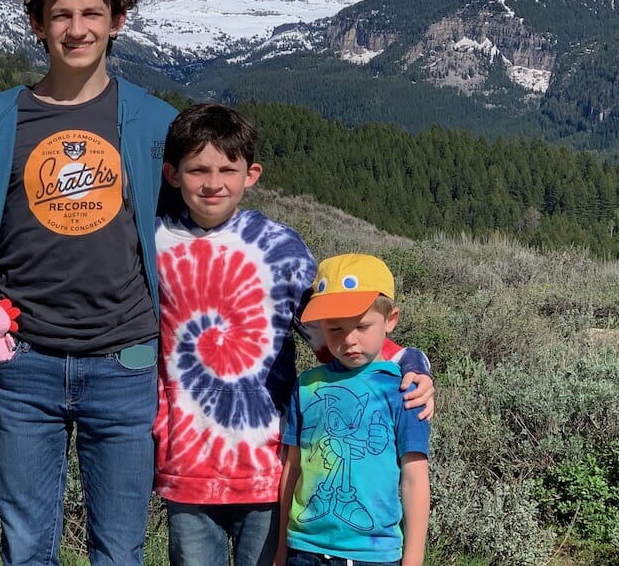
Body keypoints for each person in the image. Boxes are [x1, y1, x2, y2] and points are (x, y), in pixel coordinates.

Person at [0, 0, 178, 565]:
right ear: (38, 23)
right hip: (21, 365)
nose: (77, 29)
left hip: (127, 363)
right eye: (61, 15)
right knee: (25, 549)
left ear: (117, 21)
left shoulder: (154, 123)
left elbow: (201, 232)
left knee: (119, 551)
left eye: (92, 14)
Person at [154, 104, 434, 566]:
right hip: (187, 460)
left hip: (268, 464)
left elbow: (333, 328)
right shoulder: (155, 244)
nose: (213, 183)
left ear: (252, 174)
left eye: (228, 169)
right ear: (172, 174)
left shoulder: (279, 247)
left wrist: (409, 362)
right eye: (198, 170)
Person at [277, 253, 431, 566]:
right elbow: (292, 468)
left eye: (362, 326)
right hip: (303, 548)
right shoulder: (307, 386)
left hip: (373, 555)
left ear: (390, 320)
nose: (349, 340)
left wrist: (413, 558)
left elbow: (415, 478)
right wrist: (281, 548)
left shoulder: (404, 390)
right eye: (335, 329)